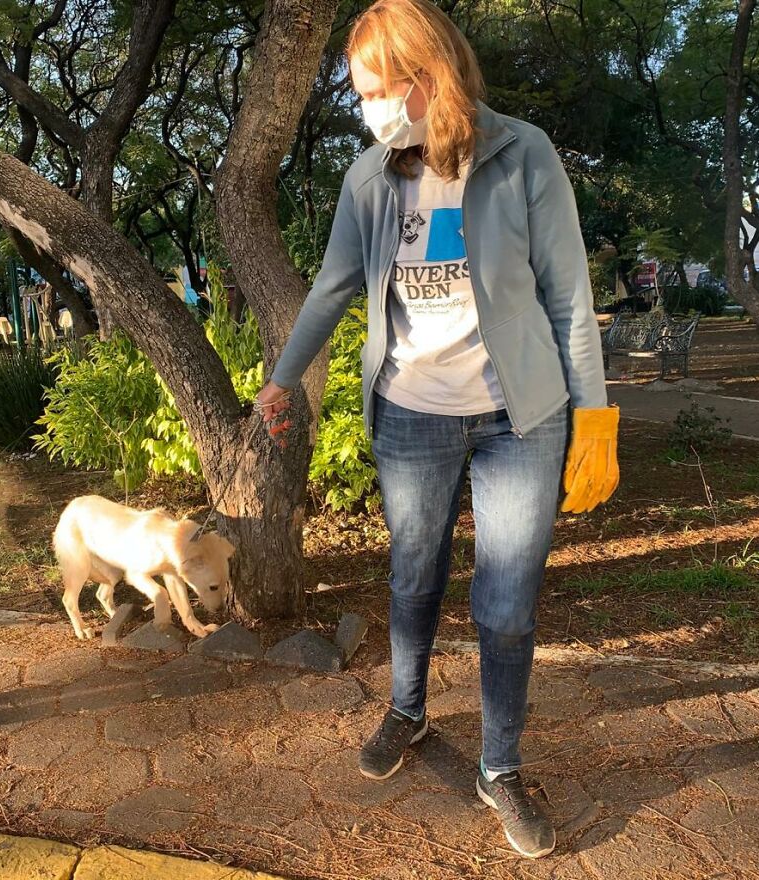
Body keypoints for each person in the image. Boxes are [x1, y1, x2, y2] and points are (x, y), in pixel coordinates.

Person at [255, 0, 620, 859]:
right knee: (413, 577)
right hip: (412, 415)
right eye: (361, 92)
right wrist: (281, 380)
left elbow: (569, 297)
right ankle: (408, 711)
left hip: (519, 421)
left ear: (431, 76)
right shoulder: (369, 177)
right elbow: (332, 289)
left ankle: (500, 765)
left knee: (505, 602)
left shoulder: (523, 155)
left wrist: (594, 415)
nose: (371, 106)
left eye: (382, 87)